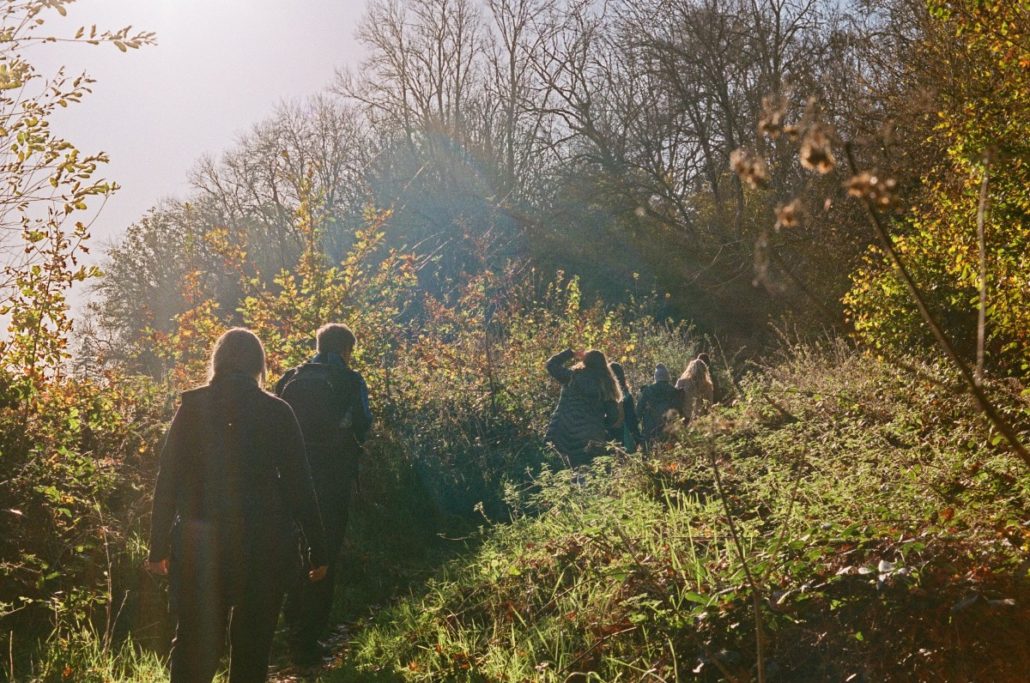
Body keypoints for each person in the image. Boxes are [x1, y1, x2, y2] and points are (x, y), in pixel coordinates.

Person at [147, 328, 328, 683]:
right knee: (252, 650)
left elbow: (167, 481)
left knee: (194, 647)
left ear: (217, 362)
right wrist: (318, 548)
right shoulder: (277, 411)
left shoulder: (191, 409)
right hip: (264, 544)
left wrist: (157, 547)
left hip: (200, 543)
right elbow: (300, 486)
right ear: (258, 365)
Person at [276, 323, 373, 667]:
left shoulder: (289, 377)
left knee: (294, 548)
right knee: (325, 552)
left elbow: (275, 424)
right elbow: (364, 423)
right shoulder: (351, 380)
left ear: (317, 344)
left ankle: (289, 628)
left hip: (288, 481)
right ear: (347, 349)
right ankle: (308, 640)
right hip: (332, 481)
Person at [544, 348, 623, 467]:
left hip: (561, 433)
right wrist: (599, 425)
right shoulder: (605, 384)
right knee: (587, 474)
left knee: (557, 472)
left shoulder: (572, 377)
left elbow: (551, 365)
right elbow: (613, 416)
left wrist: (571, 353)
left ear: (585, 361)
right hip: (590, 437)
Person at [637, 363, 686, 447]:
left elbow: (638, 411)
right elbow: (680, 412)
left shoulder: (647, 391)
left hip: (650, 431)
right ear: (667, 377)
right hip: (668, 430)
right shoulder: (674, 392)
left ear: (655, 377)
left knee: (649, 455)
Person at [608, 362, 642, 453]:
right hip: (627, 431)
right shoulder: (627, 393)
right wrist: (636, 435)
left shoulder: (608, 394)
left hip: (615, 432)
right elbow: (632, 416)